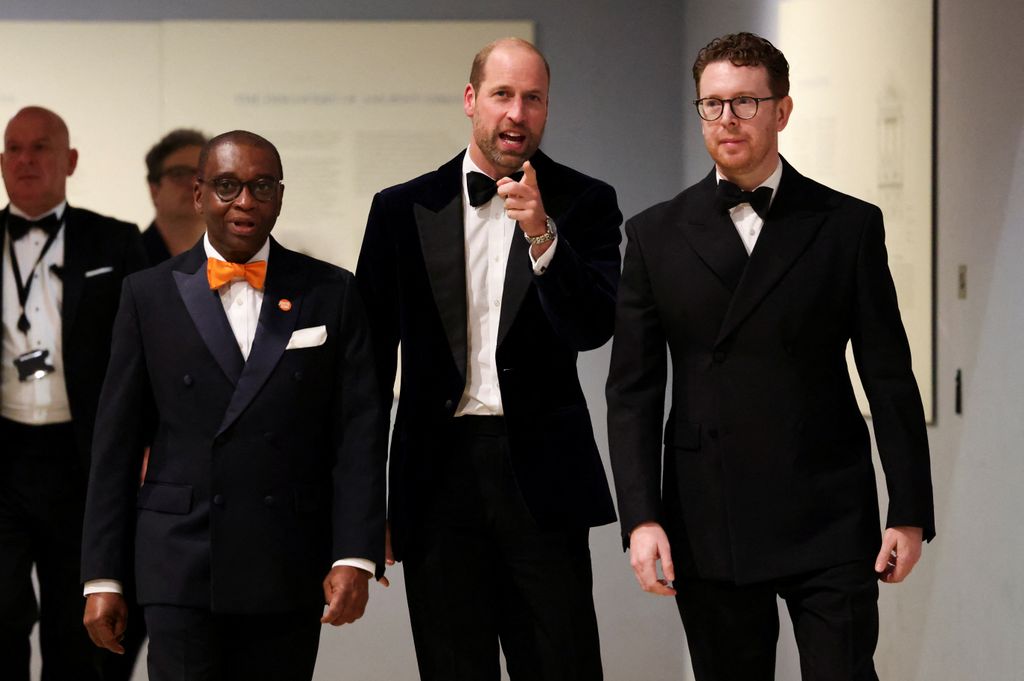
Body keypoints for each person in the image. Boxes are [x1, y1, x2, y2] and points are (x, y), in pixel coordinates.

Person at [606, 32, 935, 680]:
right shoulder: (654, 234)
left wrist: (911, 508)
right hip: (708, 511)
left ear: (782, 111)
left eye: (745, 103)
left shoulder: (847, 226)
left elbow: (888, 374)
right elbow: (634, 390)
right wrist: (641, 517)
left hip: (829, 508)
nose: (727, 119)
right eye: (712, 104)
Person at [356, 37, 622, 681]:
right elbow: (364, 369)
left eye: (533, 99)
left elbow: (593, 327)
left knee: (563, 665)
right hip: (435, 478)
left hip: (542, 477)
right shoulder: (400, 208)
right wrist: (366, 507)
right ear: (472, 100)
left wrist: (542, 233)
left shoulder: (585, 201)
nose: (517, 113)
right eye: (503, 94)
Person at [80, 130, 386, 681]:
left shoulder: (331, 291)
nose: (245, 201)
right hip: (180, 559)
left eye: (261, 186)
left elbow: (359, 432)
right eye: (227, 186)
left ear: (280, 196)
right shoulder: (146, 295)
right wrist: (102, 576)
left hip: (286, 558)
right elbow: (115, 445)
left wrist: (353, 554)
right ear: (199, 195)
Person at [0, 106, 146, 681]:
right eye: (13, 148)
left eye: (40, 147)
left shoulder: (114, 241)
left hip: (83, 459)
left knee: (76, 621)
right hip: (4, 457)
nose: (26, 160)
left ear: (70, 160)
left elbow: (144, 354)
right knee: (1, 611)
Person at [142, 128, 208, 264]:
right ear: (154, 190)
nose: (194, 183)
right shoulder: (127, 262)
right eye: (179, 174)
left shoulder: (243, 262)